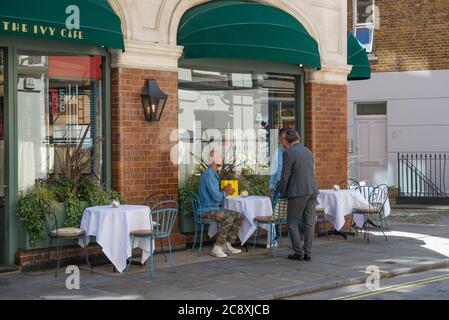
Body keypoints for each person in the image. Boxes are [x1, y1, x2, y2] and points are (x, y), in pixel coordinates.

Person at [279, 129, 319, 261]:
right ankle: (308, 252)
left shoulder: (288, 153)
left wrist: (282, 192)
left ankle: (298, 252)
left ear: (287, 141)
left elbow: (285, 176)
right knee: (309, 222)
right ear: (299, 138)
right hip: (312, 190)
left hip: (298, 192)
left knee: (292, 223)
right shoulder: (308, 151)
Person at [198, 150, 244, 258]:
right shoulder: (209, 175)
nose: (222, 158)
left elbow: (216, 194)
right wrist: (226, 192)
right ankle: (217, 248)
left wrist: (223, 190)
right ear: (213, 160)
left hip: (213, 208)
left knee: (239, 215)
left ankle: (227, 244)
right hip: (206, 210)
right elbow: (217, 197)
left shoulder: (213, 174)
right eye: (219, 156)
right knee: (228, 217)